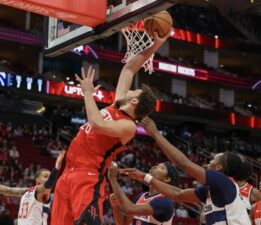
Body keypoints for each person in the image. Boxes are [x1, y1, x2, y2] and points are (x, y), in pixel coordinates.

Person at [51, 31, 170, 225]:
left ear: (133, 101)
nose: (128, 89)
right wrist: (154, 46)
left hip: (88, 176)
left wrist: (88, 94)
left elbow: (98, 124)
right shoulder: (117, 104)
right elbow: (129, 69)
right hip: (68, 173)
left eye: (133, 91)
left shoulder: (128, 126)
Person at [120, 117, 251, 225]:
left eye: (214, 158)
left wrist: (155, 134)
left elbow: (182, 163)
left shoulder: (223, 181)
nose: (210, 158)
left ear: (218, 168)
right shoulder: (209, 190)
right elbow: (178, 194)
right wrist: (145, 177)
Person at [0, 150, 65, 225]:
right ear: (37, 180)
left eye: (49, 177)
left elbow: (50, 181)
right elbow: (6, 190)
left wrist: (57, 166)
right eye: (45, 176)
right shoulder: (27, 191)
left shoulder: (42, 193)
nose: (48, 179)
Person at [108, 161, 178, 225]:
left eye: (161, 167)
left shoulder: (165, 201)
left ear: (167, 179)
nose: (155, 167)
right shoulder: (141, 196)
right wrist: (115, 205)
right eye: (156, 165)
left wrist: (113, 179)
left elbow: (129, 209)